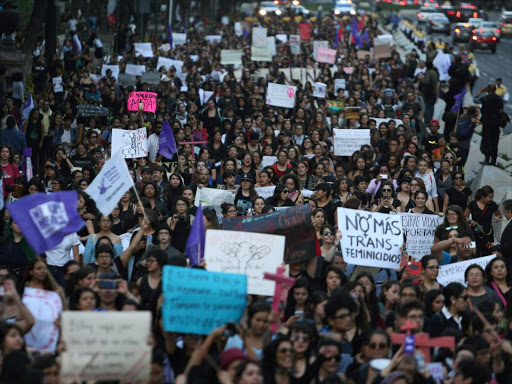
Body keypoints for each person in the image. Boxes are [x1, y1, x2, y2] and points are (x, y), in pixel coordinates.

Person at [465, 186, 501, 256]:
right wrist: (470, 220)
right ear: (483, 197)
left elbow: (499, 215)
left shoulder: (492, 204)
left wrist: (497, 218)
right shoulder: (472, 204)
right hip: (475, 233)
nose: (491, 199)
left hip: (488, 234)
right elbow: (465, 216)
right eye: (490, 197)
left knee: (488, 250)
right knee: (475, 252)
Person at [476, 83, 504, 166]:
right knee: (494, 141)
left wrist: (481, 91)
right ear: (495, 89)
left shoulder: (485, 98)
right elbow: (501, 110)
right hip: (496, 122)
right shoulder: (499, 99)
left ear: (487, 89)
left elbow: (475, 100)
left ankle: (487, 159)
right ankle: (493, 160)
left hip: (487, 122)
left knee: (486, 140)